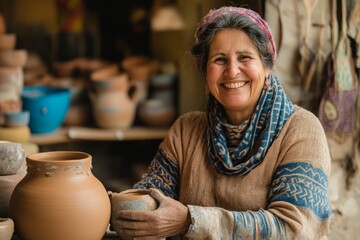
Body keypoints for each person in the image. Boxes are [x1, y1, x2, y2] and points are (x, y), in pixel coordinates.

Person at [114, 6, 332, 239]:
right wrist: (115, 205)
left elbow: (294, 230)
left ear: (267, 67)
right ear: (205, 72)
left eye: (245, 57)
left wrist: (191, 220)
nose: (232, 70)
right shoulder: (186, 130)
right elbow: (150, 198)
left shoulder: (300, 130)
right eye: (219, 59)